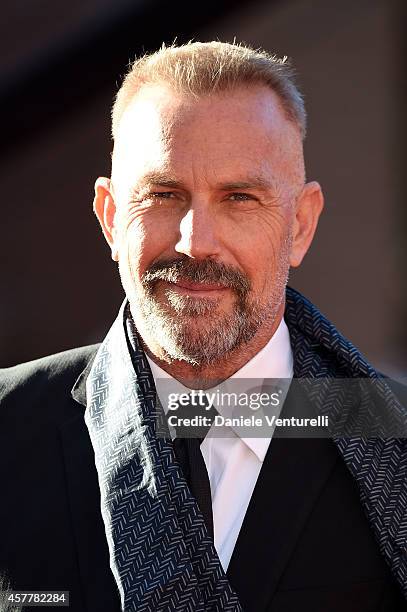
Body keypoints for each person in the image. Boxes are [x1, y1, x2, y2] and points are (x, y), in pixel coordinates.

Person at [0, 41, 406, 612]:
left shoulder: (394, 440)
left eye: (240, 197)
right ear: (112, 218)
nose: (196, 242)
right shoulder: (8, 426)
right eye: (163, 195)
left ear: (302, 225)